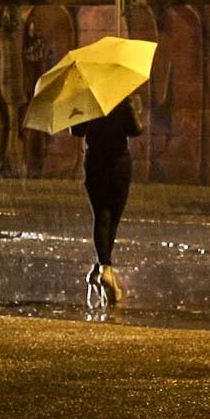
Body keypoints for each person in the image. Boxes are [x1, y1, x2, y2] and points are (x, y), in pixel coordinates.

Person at [71, 95, 142, 307]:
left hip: (94, 161)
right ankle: (105, 268)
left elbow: (76, 130)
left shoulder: (85, 98)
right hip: (118, 162)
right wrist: (131, 107)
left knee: (101, 213)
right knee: (113, 216)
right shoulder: (120, 97)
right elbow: (136, 130)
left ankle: (102, 267)